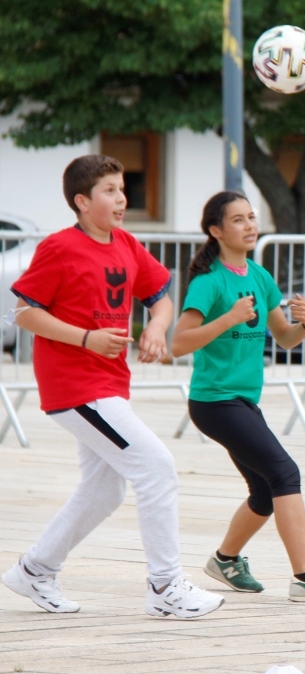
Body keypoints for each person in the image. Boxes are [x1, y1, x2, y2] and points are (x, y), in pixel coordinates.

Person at [1, 154, 224, 619]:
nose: (121, 199)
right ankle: (165, 588)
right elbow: (22, 313)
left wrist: (157, 327)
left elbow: (160, 297)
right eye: (109, 191)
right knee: (157, 467)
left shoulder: (126, 243)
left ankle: (35, 569)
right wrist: (86, 338)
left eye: (123, 189)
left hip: (109, 384)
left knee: (106, 490)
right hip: (76, 387)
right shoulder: (59, 248)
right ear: (82, 202)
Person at [171, 191, 305, 602]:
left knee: (263, 491)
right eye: (238, 220)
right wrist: (229, 318)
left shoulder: (259, 275)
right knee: (284, 475)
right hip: (213, 401)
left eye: (252, 217)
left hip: (242, 402)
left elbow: (285, 337)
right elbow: (179, 344)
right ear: (216, 231)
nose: (250, 225)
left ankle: (225, 560)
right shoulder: (208, 282)